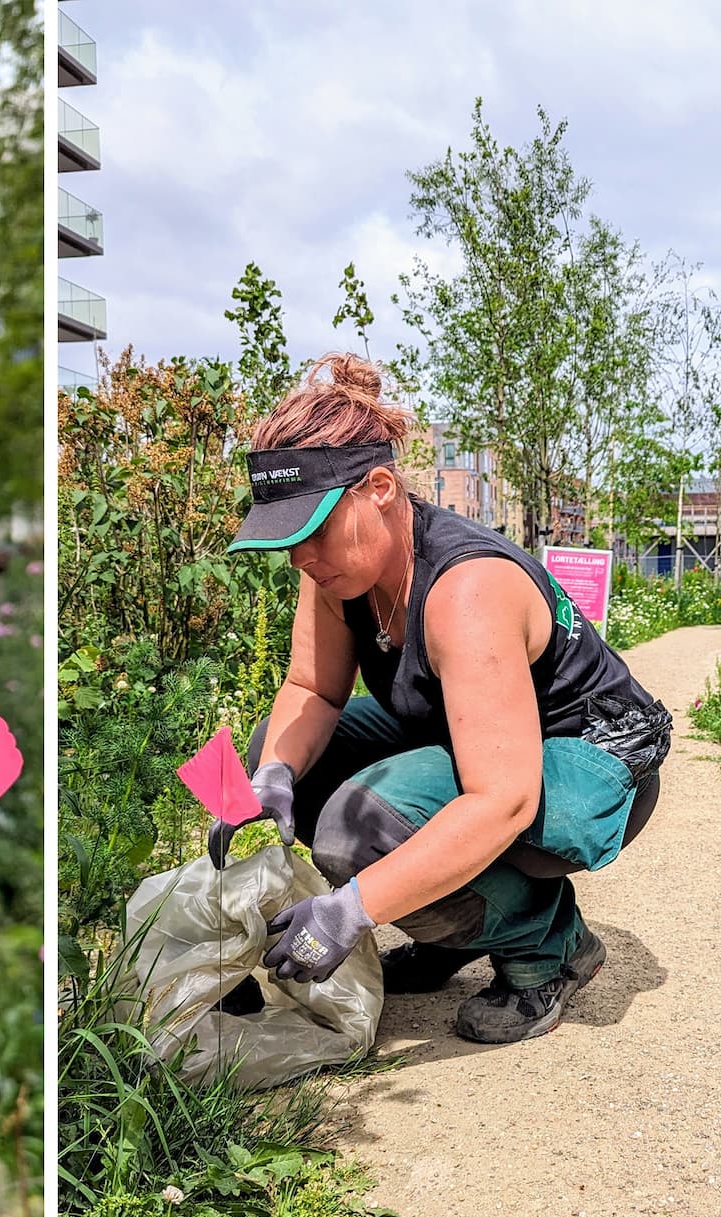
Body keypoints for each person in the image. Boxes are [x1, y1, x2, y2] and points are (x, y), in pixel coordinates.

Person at [210, 354, 671, 1044]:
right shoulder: (337, 570)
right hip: (476, 733)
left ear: (381, 487)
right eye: (287, 540)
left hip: (585, 759)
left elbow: (503, 798)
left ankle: (553, 945)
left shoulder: (468, 589)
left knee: (354, 826)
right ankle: (454, 928)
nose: (300, 557)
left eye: (313, 531)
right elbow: (311, 687)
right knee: (272, 751)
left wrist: (351, 910)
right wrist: (269, 777)